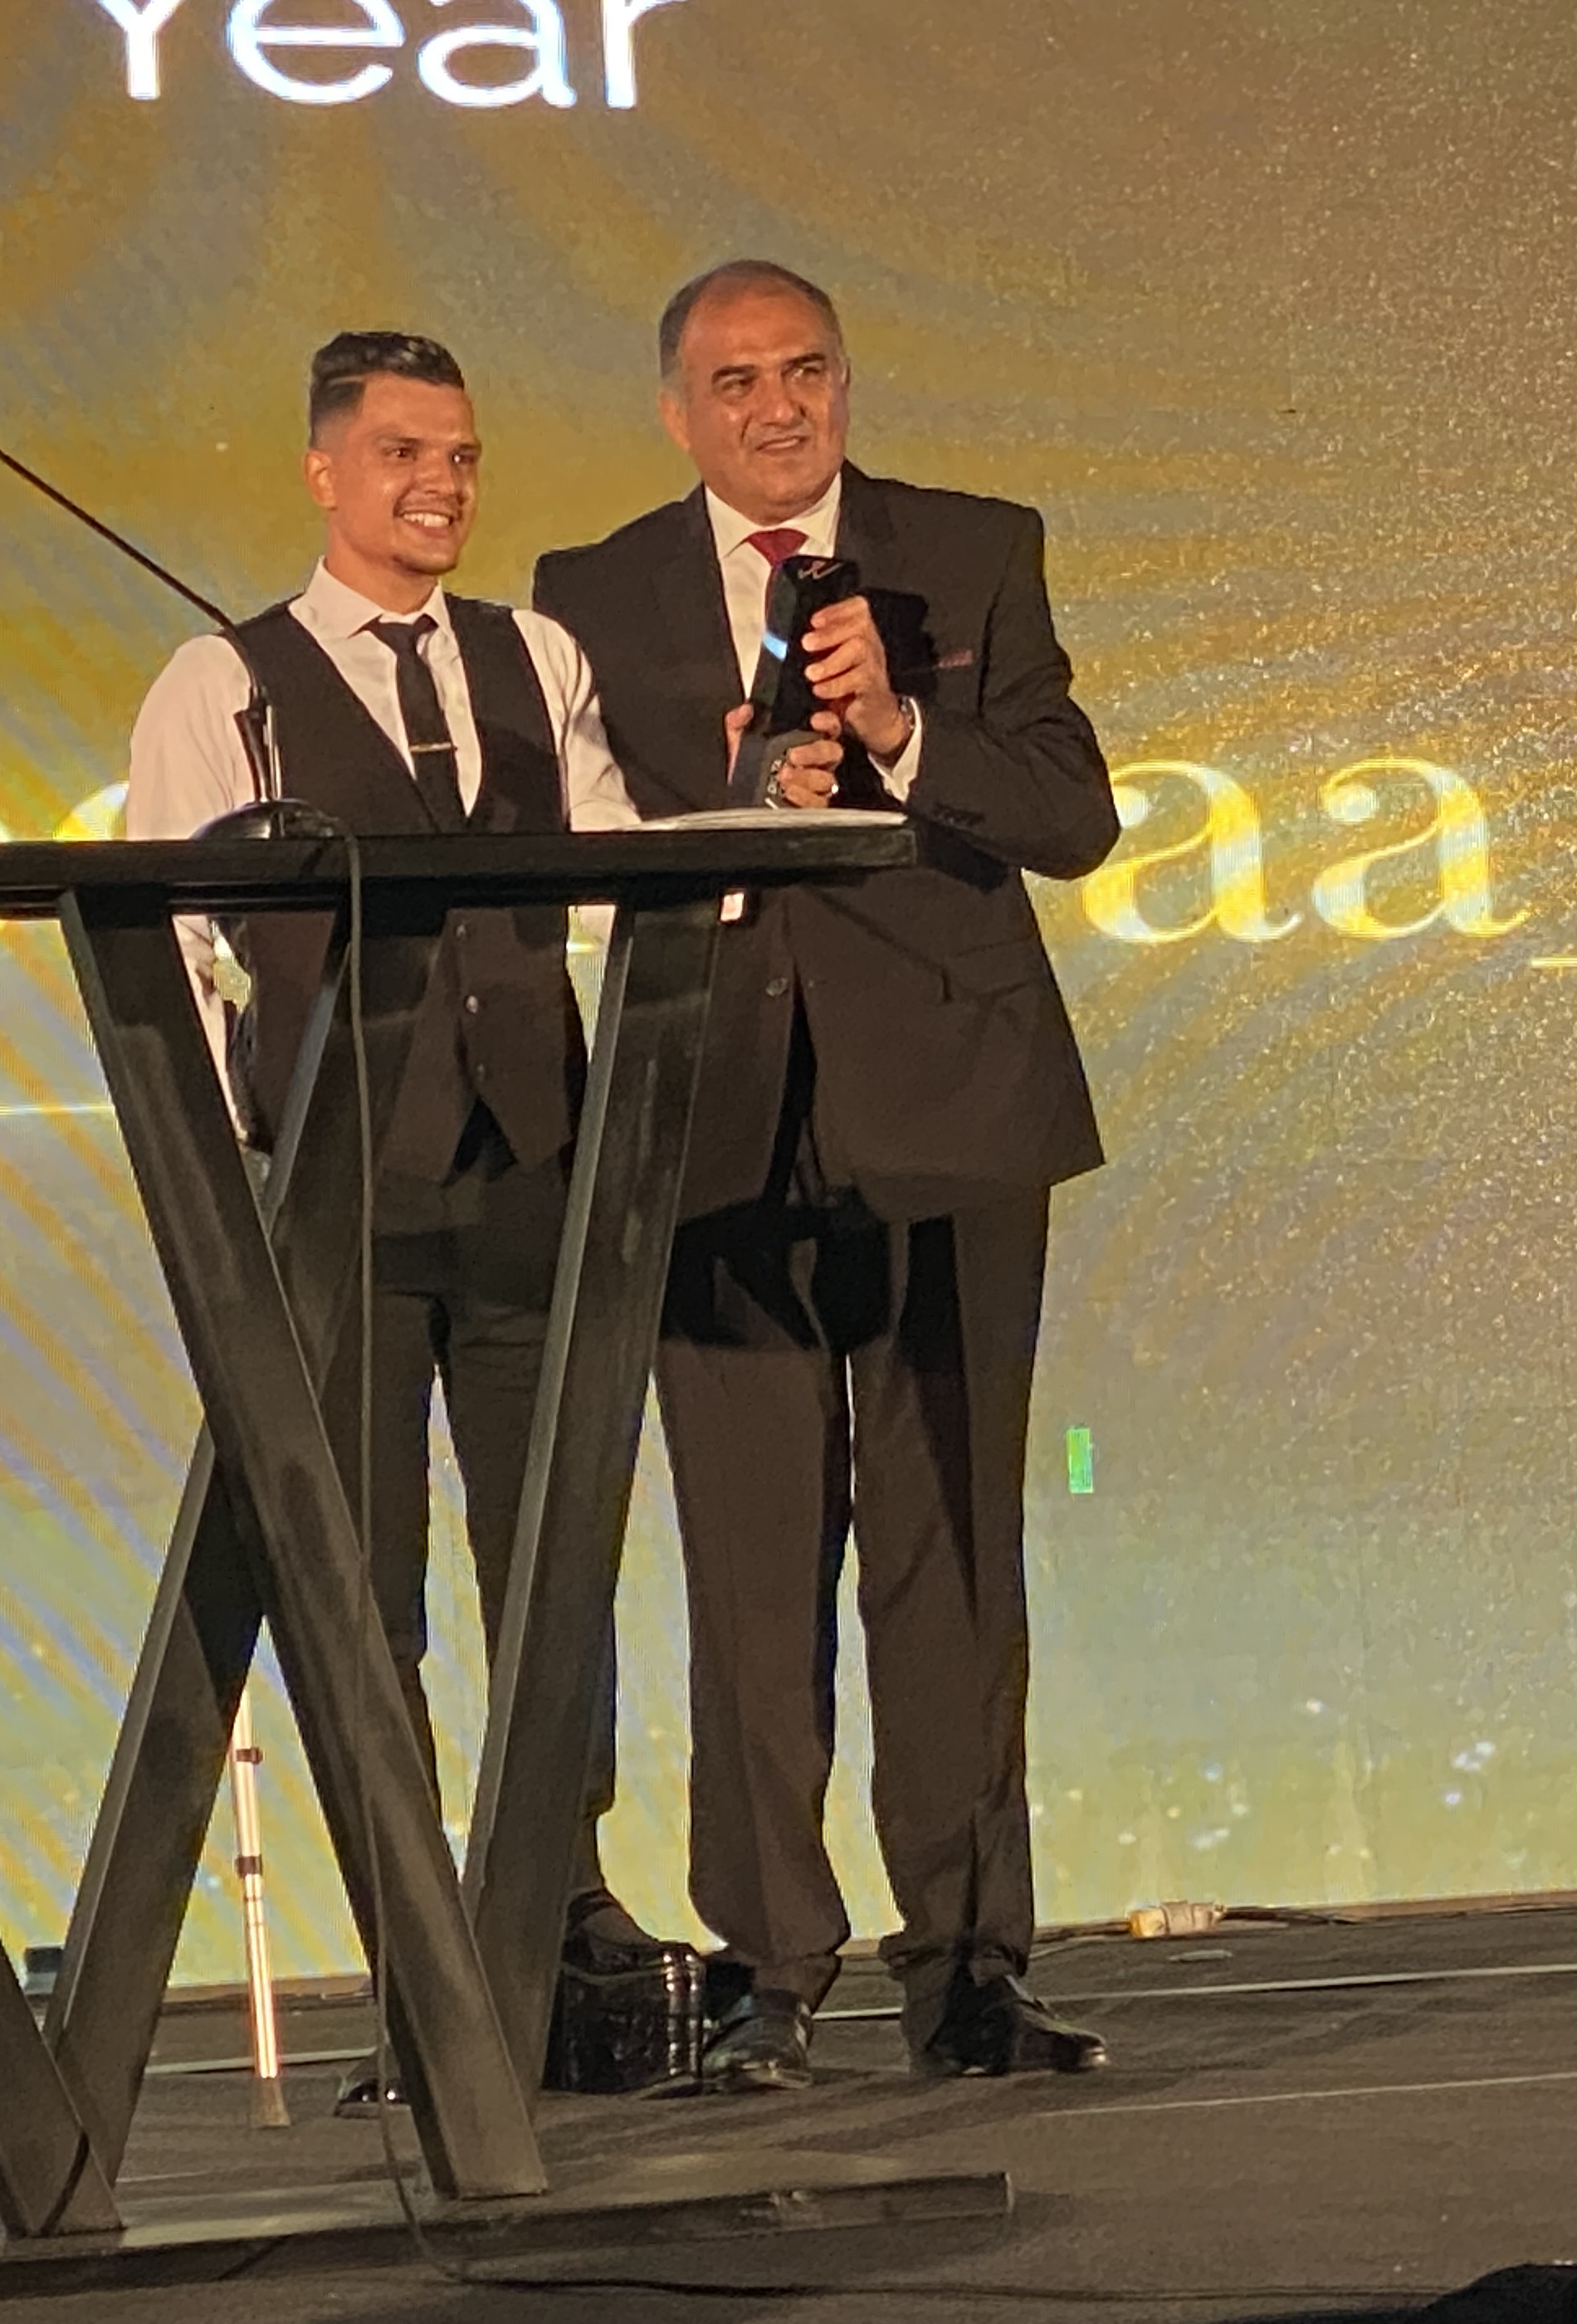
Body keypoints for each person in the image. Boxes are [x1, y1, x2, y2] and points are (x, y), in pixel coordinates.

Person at [130, 331, 810, 2107]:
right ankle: (419, 1957)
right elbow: (175, 945)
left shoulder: (533, 654)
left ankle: (557, 1908)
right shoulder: (226, 684)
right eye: (405, 452)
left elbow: (613, 852)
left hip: (532, 1175)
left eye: (463, 455)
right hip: (337, 1196)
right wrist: (228, 1181)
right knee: (367, 1595)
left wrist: (752, 824)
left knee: (554, 1570)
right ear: (324, 471)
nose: (441, 484)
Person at [532, 261, 1123, 2090]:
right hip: (716, 1117)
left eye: (803, 371)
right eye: (735, 381)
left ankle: (970, 1971)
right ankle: (770, 1973)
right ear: (676, 412)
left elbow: (1073, 816)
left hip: (952, 1110)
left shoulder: (974, 549)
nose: (775, 407)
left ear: (845, 384)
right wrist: (738, 798)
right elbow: (581, 841)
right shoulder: (590, 594)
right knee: (747, 1564)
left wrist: (902, 735)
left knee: (954, 1557)